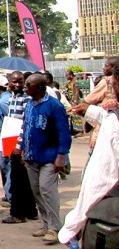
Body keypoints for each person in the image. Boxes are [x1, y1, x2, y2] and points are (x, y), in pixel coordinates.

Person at [58, 65, 119, 247]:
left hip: (109, 219)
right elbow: (106, 117)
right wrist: (89, 110)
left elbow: (100, 181)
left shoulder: (115, 125)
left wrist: (73, 225)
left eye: (112, 81)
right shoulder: (112, 118)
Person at [21, 74, 72, 244]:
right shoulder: (29, 104)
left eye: (28, 84)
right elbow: (25, 128)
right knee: (36, 191)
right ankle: (45, 223)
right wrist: (22, 150)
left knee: (47, 190)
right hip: (31, 156)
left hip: (50, 157)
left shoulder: (54, 106)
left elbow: (64, 132)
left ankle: (54, 227)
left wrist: (61, 156)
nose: (25, 87)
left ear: (40, 88)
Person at [2, 71, 39, 224]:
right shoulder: (12, 98)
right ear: (8, 82)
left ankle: (18, 214)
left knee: (18, 180)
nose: (17, 84)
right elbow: (11, 123)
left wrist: (21, 148)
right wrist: (7, 147)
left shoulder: (26, 100)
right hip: (13, 142)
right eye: (14, 81)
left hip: (21, 145)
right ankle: (31, 211)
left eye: (20, 81)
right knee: (23, 179)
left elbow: (26, 125)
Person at [0, 74, 13, 207]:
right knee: (5, 165)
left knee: (7, 166)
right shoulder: (3, 99)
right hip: (5, 135)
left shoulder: (4, 101)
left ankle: (10, 195)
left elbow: (11, 119)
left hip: (8, 135)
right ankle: (8, 194)